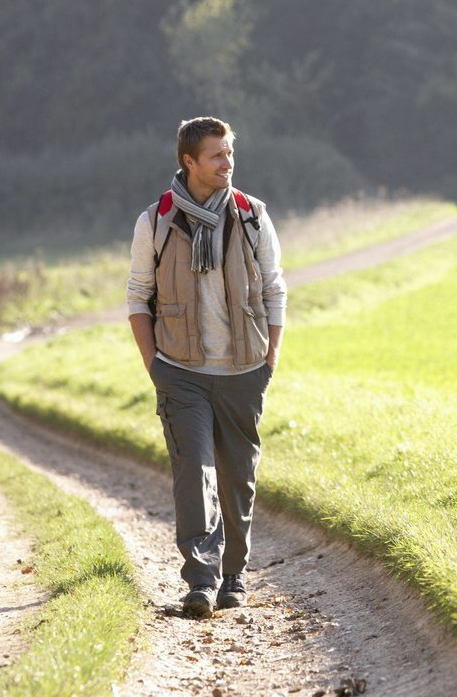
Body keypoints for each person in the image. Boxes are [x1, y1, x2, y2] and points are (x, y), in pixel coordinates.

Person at [126, 116, 286, 617]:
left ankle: (234, 577)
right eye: (217, 155)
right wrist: (156, 366)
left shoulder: (252, 215)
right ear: (189, 161)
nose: (228, 162)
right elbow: (138, 298)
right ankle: (200, 579)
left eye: (230, 152)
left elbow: (274, 288)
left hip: (243, 371)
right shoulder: (155, 221)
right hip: (181, 372)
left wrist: (271, 355)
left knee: (238, 478)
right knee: (194, 473)